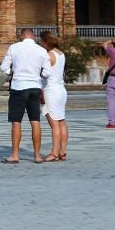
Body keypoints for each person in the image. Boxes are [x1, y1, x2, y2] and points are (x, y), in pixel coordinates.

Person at [0, 28, 51, 163]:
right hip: (35, 88)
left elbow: (4, 67)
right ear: (33, 36)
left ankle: (15, 154)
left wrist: (13, 71)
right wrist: (37, 73)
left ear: (21, 36)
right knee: (35, 121)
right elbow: (47, 73)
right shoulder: (41, 50)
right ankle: (37, 155)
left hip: (18, 87)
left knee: (16, 122)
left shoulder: (14, 47)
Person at [40, 31, 68, 161]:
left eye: (42, 41)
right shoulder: (61, 54)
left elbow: (44, 74)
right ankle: (62, 151)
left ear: (45, 42)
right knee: (61, 121)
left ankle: (54, 153)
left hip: (51, 90)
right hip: (61, 89)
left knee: (54, 123)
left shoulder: (49, 55)